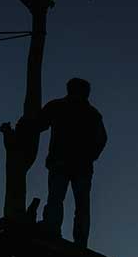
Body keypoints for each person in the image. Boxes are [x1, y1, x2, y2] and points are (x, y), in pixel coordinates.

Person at [24, 77, 107, 247]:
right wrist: (90, 156)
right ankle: (74, 238)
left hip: (65, 163)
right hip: (73, 165)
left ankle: (55, 231)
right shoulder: (89, 113)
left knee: (61, 199)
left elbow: (39, 123)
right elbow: (101, 139)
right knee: (75, 203)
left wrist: (27, 125)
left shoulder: (62, 107)